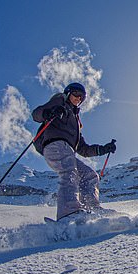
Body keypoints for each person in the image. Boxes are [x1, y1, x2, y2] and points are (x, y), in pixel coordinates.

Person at [32, 82, 116, 220]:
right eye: (76, 94)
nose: (79, 99)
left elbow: (83, 149)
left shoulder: (76, 122)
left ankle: (92, 209)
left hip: (68, 151)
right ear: (68, 93)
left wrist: (103, 149)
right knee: (70, 172)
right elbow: (36, 114)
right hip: (55, 145)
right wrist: (49, 112)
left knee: (90, 175)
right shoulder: (59, 101)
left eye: (82, 97)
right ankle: (68, 213)